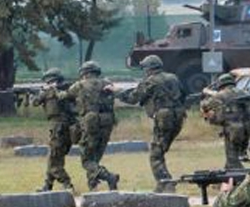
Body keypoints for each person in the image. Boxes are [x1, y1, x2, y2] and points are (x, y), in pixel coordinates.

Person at [119, 55, 185, 192]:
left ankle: (166, 183)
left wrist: (117, 92)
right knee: (160, 150)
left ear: (149, 68)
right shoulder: (173, 78)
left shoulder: (150, 81)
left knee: (155, 154)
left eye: (145, 68)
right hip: (178, 117)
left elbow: (133, 98)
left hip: (164, 118)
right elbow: (183, 95)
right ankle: (162, 186)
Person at [66, 61, 119, 191]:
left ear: (85, 73)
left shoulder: (79, 85)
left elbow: (66, 96)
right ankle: (93, 184)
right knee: (95, 156)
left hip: (91, 124)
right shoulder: (106, 84)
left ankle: (109, 176)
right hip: (107, 123)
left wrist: (53, 91)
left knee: (87, 160)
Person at [32, 68, 77, 192]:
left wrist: (42, 92)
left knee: (54, 160)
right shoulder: (68, 90)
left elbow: (35, 102)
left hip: (58, 127)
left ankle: (67, 184)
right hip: (68, 127)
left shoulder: (51, 92)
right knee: (54, 157)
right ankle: (48, 185)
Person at [200, 73, 250, 169]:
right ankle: (228, 174)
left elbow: (206, 106)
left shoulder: (220, 95)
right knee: (235, 157)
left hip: (233, 131)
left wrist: (206, 94)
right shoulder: (243, 93)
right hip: (247, 129)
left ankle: (238, 176)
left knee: (233, 160)